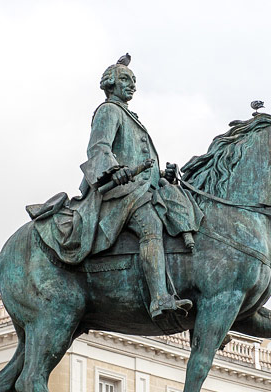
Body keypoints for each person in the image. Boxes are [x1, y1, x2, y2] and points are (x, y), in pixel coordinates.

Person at [79, 54, 202, 320]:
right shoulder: (109, 111)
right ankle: (159, 298)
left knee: (183, 208)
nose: (132, 85)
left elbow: (138, 158)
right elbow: (99, 148)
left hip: (143, 187)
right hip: (121, 191)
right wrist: (114, 169)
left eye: (134, 81)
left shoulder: (130, 116)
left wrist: (162, 175)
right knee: (151, 226)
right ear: (110, 83)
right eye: (125, 79)